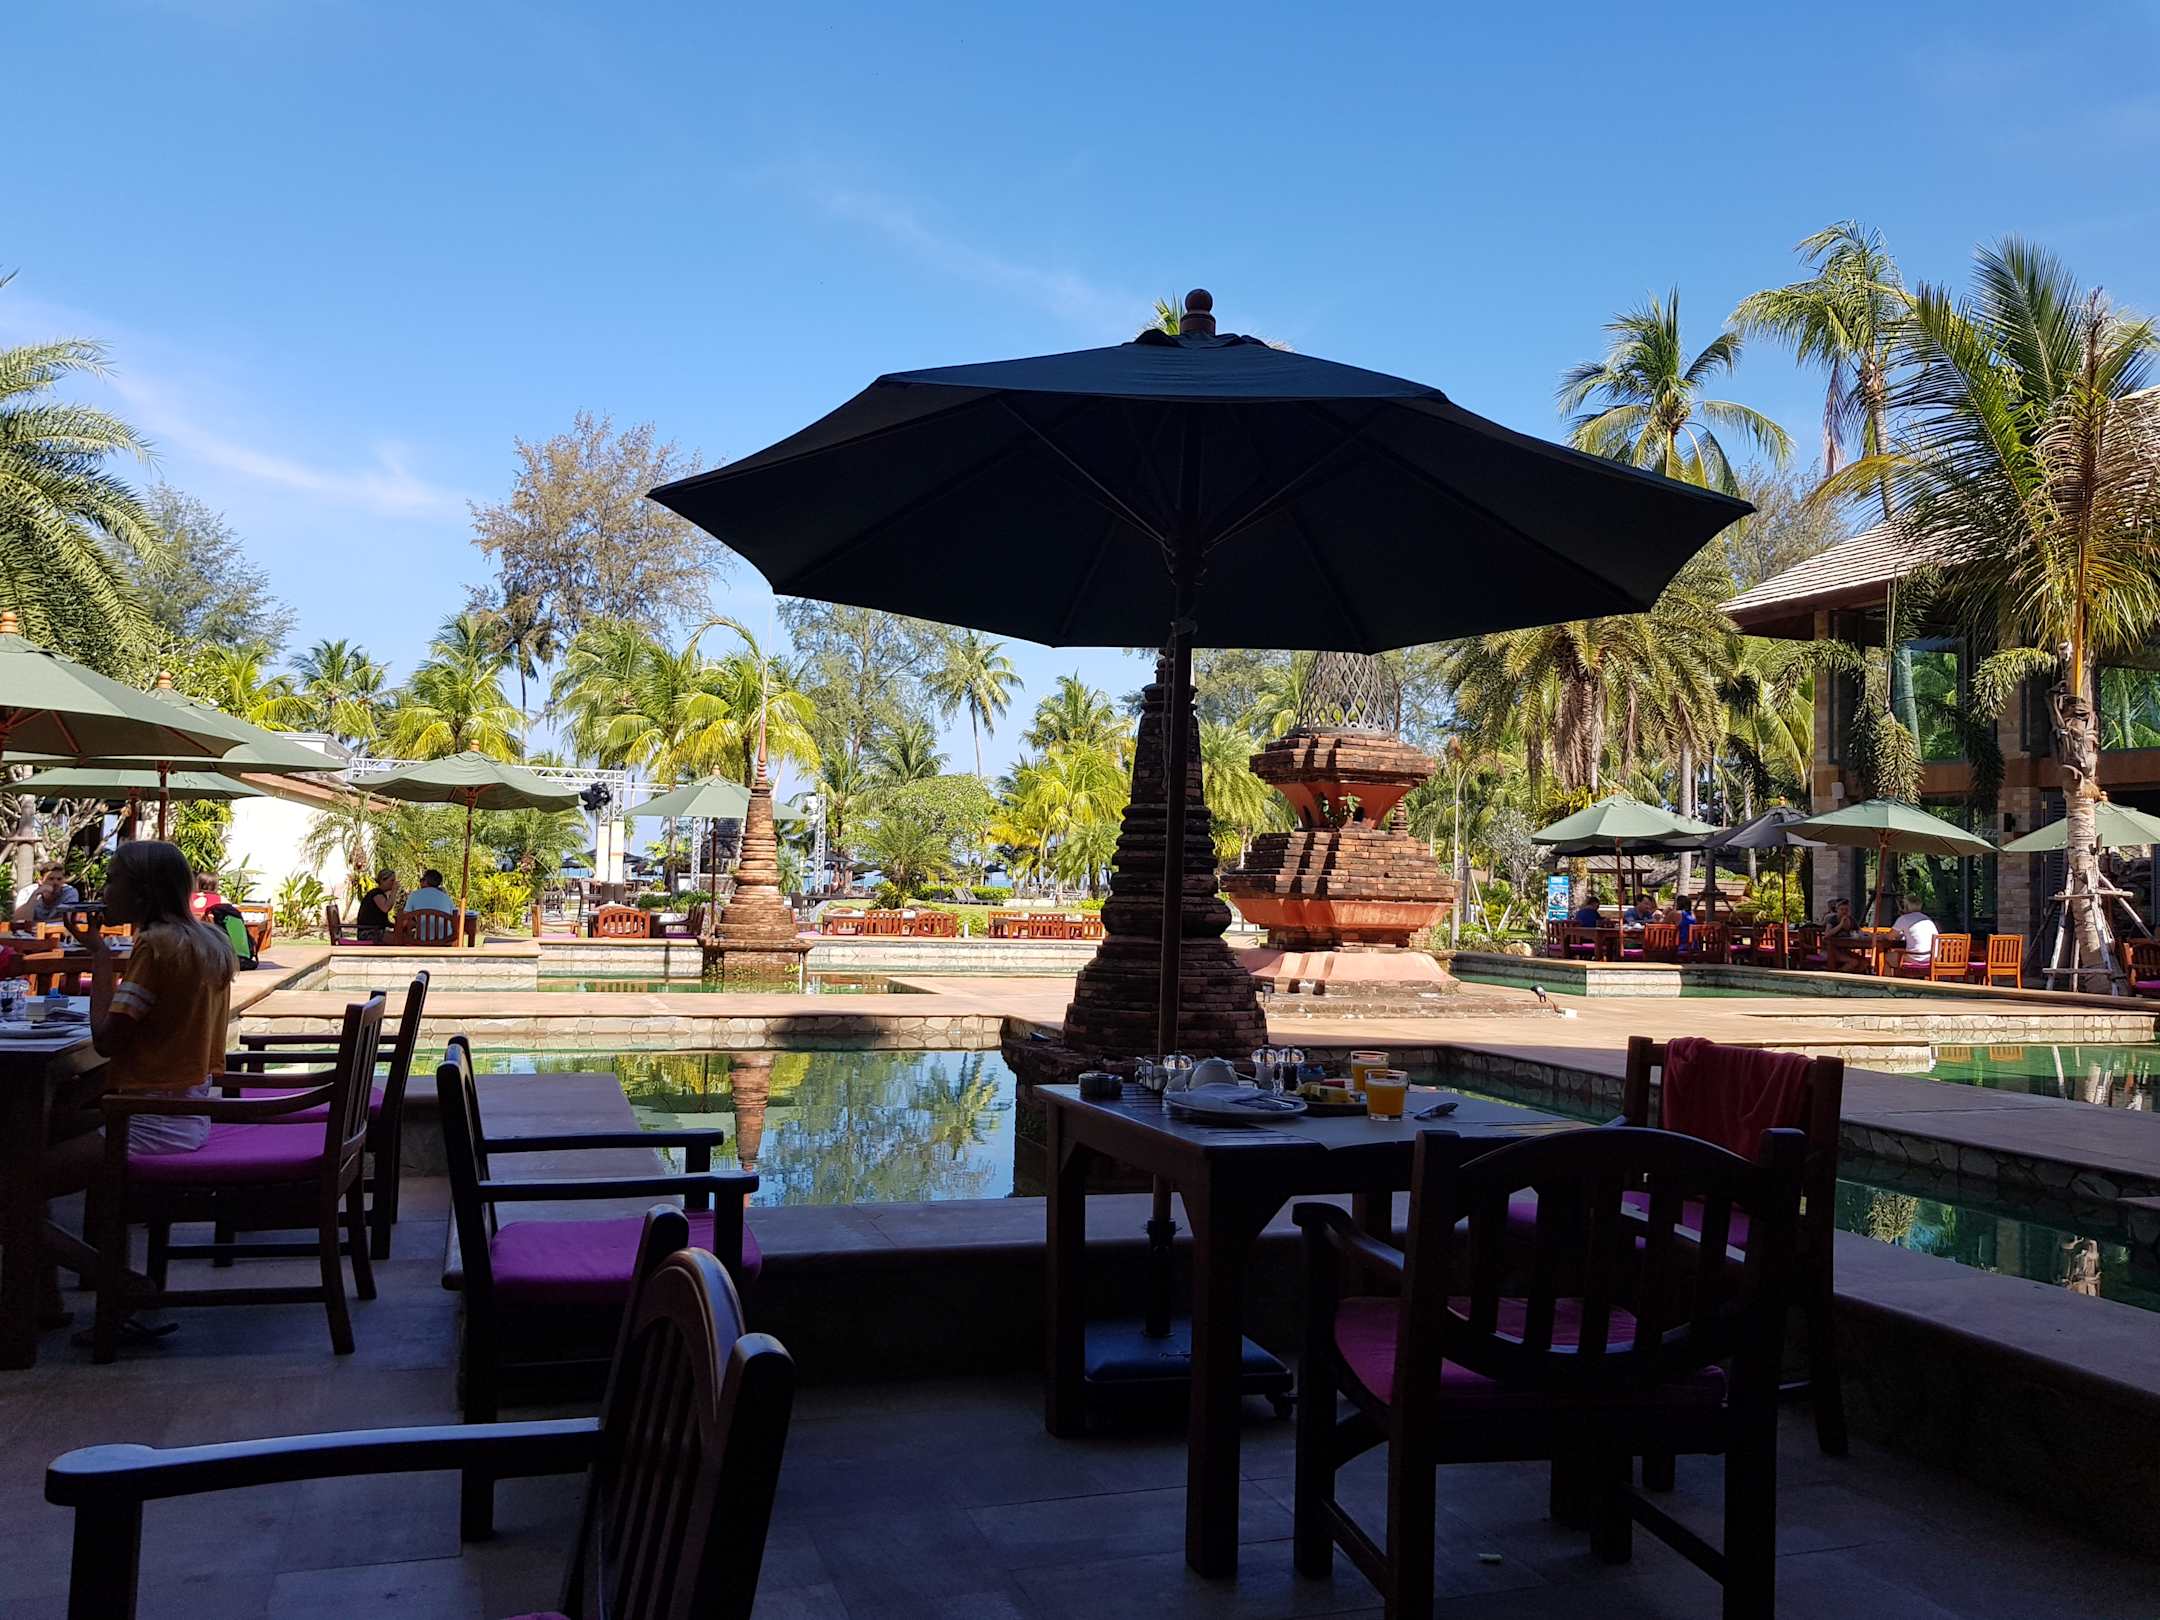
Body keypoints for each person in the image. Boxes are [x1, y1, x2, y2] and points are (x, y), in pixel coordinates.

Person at [12, 862, 79, 926]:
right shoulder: (27, 892)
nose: (55, 882)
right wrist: (35, 894)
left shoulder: (70, 892)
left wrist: (41, 925)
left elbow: (69, 919)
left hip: (58, 931)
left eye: (59, 879)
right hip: (29, 932)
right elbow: (20, 920)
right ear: (40, 881)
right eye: (51, 879)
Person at [1892, 893, 1939, 970]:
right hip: (1932, 958)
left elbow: (1889, 937)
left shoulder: (1904, 918)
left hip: (1916, 958)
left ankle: (1886, 977)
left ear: (1906, 906)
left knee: (1886, 957)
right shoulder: (1927, 919)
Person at [356, 870, 400, 940]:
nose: (394, 883)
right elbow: (386, 908)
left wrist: (396, 926)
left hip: (375, 930)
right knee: (398, 939)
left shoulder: (380, 894)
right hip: (367, 933)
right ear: (383, 880)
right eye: (392, 880)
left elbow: (382, 919)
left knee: (401, 937)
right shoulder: (376, 893)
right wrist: (394, 891)